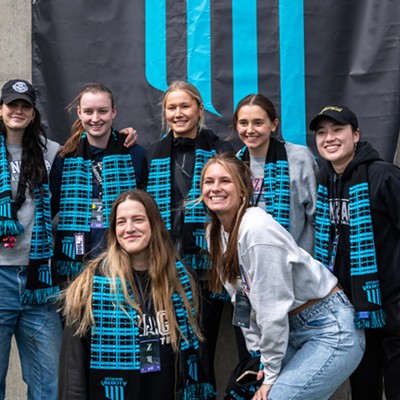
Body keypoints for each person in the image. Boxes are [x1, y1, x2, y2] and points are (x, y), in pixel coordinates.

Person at [201, 153, 365, 400]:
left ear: (242, 190)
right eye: (208, 181)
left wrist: (270, 374)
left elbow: (271, 309)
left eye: (225, 181)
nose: (215, 188)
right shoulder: (215, 232)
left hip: (329, 328)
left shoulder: (255, 228)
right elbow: (242, 302)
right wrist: (257, 355)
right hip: (290, 332)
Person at [58, 190, 215, 400]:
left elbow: (199, 354)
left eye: (138, 220)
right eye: (121, 222)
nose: (129, 228)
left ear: (154, 224)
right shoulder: (90, 286)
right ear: (113, 230)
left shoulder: (181, 280)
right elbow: (73, 368)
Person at [144, 81, 233, 389]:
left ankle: (201, 393)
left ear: (199, 109)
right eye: (172, 107)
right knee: (164, 342)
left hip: (210, 267)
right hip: (164, 265)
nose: (178, 113)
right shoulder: (152, 153)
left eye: (185, 106)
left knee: (203, 341)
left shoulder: (222, 151)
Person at [309, 105, 400, 400]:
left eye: (338, 130)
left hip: (394, 307)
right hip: (355, 312)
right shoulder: (324, 181)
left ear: (356, 135)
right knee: (363, 390)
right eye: (322, 132)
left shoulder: (384, 176)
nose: (329, 138)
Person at [0, 79, 63, 399]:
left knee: (47, 383)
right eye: (12, 105)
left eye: (25, 105)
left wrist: (124, 139)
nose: (18, 111)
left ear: (34, 112)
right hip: (0, 275)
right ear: (1, 109)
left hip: (41, 280)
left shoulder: (52, 151)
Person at [50, 82, 145, 281]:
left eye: (102, 111)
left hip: (123, 262)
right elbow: (49, 208)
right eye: (88, 111)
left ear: (113, 112)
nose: (95, 118)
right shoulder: (64, 157)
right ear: (79, 113)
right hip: (76, 264)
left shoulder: (134, 153)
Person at [234, 94, 317, 255]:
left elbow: (317, 216)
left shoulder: (299, 158)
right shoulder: (236, 163)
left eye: (258, 123)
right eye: (243, 123)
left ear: (273, 124)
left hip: (297, 264)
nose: (250, 130)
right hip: (252, 264)